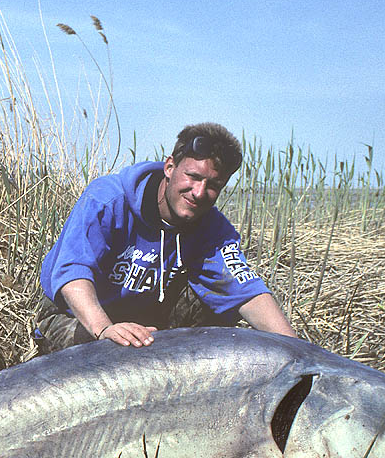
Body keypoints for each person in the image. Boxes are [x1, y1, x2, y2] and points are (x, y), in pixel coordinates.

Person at [35, 123, 296, 353]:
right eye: (193, 177)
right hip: (76, 316)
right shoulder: (107, 199)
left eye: (214, 185)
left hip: (143, 314)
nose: (199, 192)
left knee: (219, 306)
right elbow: (72, 274)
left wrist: (299, 351)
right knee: (106, 347)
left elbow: (246, 291)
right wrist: (104, 329)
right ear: (170, 167)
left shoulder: (213, 227)